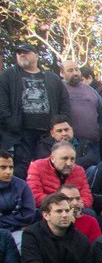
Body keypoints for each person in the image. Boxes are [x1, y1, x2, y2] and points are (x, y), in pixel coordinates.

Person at [1, 43, 70, 174]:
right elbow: (2, 104)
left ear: (36, 55)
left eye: (26, 52)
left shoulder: (52, 78)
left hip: (47, 134)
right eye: (18, 52)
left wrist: (60, 124)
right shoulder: (8, 76)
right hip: (20, 134)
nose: (21, 54)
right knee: (22, 169)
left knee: (48, 169)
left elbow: (64, 103)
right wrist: (11, 123)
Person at [0, 149, 36, 234]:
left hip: (16, 231)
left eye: (11, 167)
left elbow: (28, 215)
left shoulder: (22, 186)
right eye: (3, 167)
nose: (8, 172)